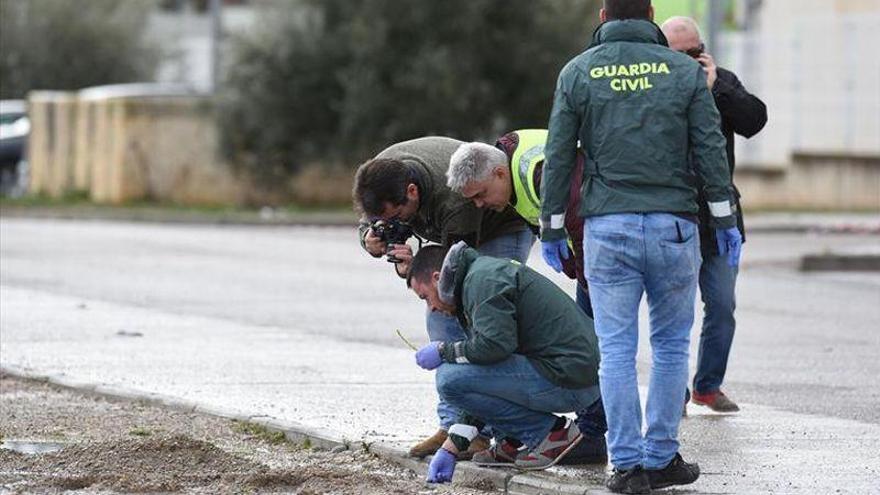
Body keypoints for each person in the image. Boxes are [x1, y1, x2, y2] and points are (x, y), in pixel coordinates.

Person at [540, 1, 742, 493]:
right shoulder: (681, 71)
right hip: (675, 224)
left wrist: (551, 228)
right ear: (650, 12)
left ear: (604, 13)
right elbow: (710, 146)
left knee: (615, 351)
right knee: (671, 346)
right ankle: (662, 457)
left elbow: (560, 152)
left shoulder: (578, 71)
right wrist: (724, 217)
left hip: (607, 227)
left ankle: (626, 465)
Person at [352, 136, 533, 459]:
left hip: (498, 225)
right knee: (438, 318)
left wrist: (418, 271)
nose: (396, 225)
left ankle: (494, 429)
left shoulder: (455, 201)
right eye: (388, 221)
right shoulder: (379, 175)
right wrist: (369, 237)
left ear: (412, 191)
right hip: (447, 231)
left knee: (487, 319)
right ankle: (454, 427)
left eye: (398, 217)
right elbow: (371, 219)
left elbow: (451, 280)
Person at [407, 243, 607, 482]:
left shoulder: (481, 282)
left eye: (425, 297)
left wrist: (444, 351)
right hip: (572, 374)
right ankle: (512, 440)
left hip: (572, 379)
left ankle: (551, 435)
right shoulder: (476, 277)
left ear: (437, 278)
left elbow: (494, 347)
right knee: (460, 376)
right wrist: (451, 448)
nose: (432, 308)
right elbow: (483, 385)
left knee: (449, 378)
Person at [662, 16, 767, 413]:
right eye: (679, 56)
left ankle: (708, 385)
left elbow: (754, 120)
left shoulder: (721, 81)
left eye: (694, 53)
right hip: (676, 218)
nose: (688, 62)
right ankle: (674, 391)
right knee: (675, 314)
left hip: (721, 219)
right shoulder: (657, 87)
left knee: (722, 308)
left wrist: (715, 87)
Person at [447, 129, 594, 317]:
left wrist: (588, 284)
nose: (479, 204)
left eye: (480, 194)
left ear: (499, 173)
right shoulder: (507, 168)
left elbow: (583, 229)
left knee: (597, 329)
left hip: (614, 235)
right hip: (596, 246)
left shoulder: (537, 174)